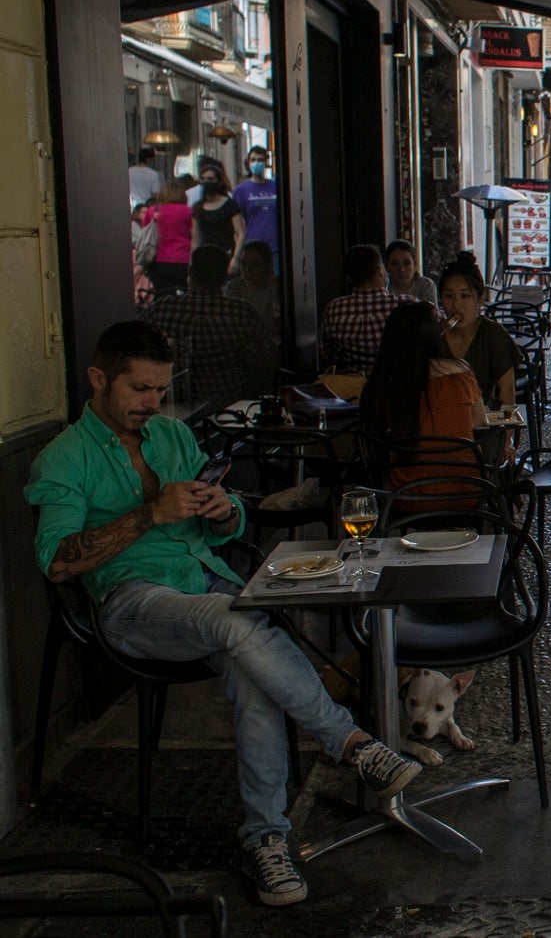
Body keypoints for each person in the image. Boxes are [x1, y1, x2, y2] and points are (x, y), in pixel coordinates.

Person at [25, 322, 422, 906]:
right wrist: (148, 516)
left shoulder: (170, 436)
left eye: (160, 390)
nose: (151, 403)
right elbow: (58, 563)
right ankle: (350, 742)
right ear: (98, 379)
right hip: (131, 602)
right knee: (237, 623)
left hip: (208, 579)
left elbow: (233, 519)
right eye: (138, 389)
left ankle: (266, 841)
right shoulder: (63, 458)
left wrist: (221, 509)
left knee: (248, 665)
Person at [361, 303, 488, 497]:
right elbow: (480, 421)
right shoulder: (459, 372)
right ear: (432, 336)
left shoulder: (385, 383)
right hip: (466, 493)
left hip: (405, 496)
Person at [141, 245, 271, 402]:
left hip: (177, 403)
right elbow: (268, 358)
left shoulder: (162, 309)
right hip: (232, 405)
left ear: (190, 272)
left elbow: (131, 339)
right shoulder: (242, 313)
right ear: (224, 276)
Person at [318, 244, 419, 375]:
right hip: (397, 384)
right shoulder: (406, 304)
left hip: (349, 388)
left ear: (350, 277)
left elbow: (325, 352)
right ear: (380, 271)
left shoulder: (333, 309)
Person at [439, 252, 518, 410]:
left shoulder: (493, 334)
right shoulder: (434, 334)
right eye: (449, 296)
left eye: (465, 296)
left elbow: (507, 391)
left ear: (481, 298)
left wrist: (506, 434)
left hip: (484, 426)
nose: (456, 305)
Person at [224, 239, 281, 361]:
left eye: (254, 264)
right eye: (243, 264)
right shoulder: (234, 287)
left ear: (267, 266)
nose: (247, 269)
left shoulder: (277, 287)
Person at [190, 162, 246, 272]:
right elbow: (196, 239)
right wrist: (193, 262)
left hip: (226, 256)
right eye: (203, 179)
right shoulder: (197, 208)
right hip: (205, 259)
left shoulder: (230, 205)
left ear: (219, 182)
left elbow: (240, 233)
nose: (206, 182)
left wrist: (236, 258)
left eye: (210, 179)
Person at [232, 146, 280, 271]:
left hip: (276, 249)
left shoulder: (276, 187)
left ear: (266, 162)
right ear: (248, 163)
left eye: (260, 159)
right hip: (252, 248)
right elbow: (237, 226)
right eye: (253, 160)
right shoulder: (241, 191)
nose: (257, 163)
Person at [141, 181, 194, 293]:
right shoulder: (188, 211)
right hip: (183, 261)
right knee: (185, 295)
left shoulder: (152, 211)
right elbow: (195, 236)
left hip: (158, 262)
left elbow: (145, 234)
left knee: (162, 295)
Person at [385, 239, 438, 307]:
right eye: (395, 264)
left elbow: (432, 314)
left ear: (415, 265)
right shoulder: (385, 289)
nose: (401, 269)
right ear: (387, 267)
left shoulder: (425, 285)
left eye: (407, 263)